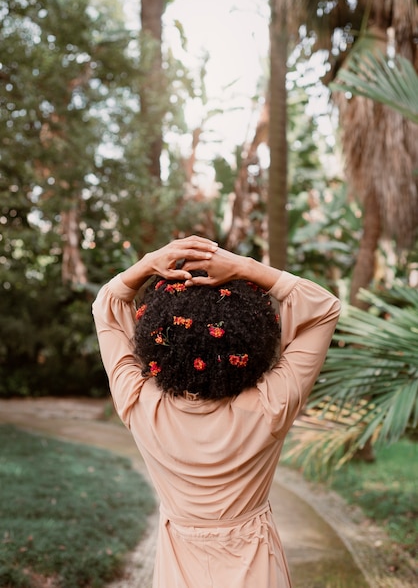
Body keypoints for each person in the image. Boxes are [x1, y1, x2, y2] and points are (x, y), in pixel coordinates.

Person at [92, 235, 341, 588]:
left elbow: (107, 305)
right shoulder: (270, 406)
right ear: (251, 339)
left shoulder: (138, 402)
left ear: (155, 338)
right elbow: (324, 308)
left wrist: (149, 262)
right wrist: (245, 267)